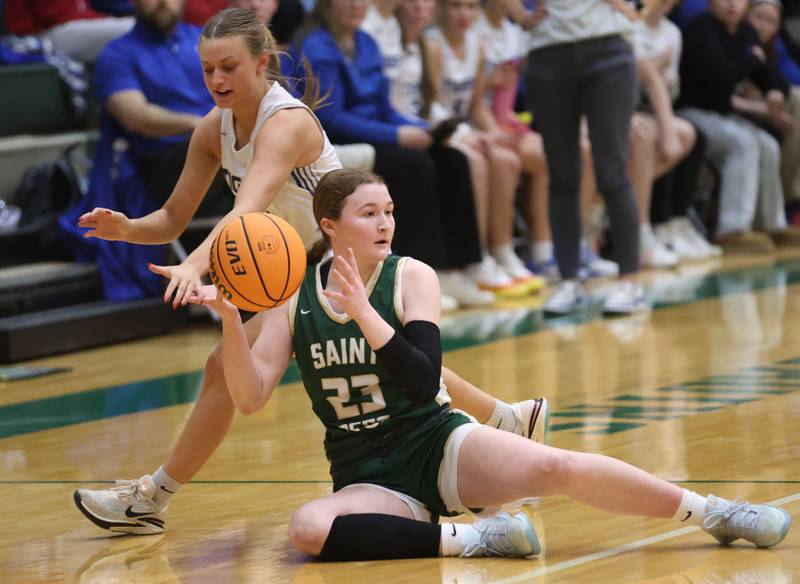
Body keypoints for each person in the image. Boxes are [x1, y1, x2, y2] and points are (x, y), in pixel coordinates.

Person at [72, 8, 549, 535]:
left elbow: (244, 213)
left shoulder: (287, 122)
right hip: (295, 271)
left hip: (338, 257)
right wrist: (128, 228)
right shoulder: (213, 127)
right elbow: (170, 218)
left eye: (228, 67)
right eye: (207, 70)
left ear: (263, 63)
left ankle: (152, 498)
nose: (216, 81)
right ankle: (505, 416)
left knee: (226, 369)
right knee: (387, 361)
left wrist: (192, 264)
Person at [189, 168, 790, 561]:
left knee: (558, 467)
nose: (386, 224)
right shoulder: (292, 298)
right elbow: (250, 396)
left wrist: (366, 316)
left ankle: (713, 511)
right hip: (364, 472)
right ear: (329, 225)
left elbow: (424, 377)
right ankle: (475, 537)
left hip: (439, 443)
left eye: (389, 211)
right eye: (369, 213)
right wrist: (228, 318)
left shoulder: (411, 276)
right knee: (307, 529)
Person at [493, 0, 645, 315]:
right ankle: (569, 280)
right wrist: (521, 15)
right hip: (548, 53)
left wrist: (640, 10)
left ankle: (630, 281)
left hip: (608, 48)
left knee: (611, 171)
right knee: (561, 173)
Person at [677, 0, 800, 253]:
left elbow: (769, 73)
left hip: (722, 114)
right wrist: (749, 63)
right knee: (742, 143)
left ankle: (771, 224)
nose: (733, 5)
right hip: (692, 112)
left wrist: (775, 90)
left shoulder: (745, 33)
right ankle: (732, 229)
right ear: (711, 2)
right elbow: (721, 80)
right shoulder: (701, 30)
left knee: (768, 145)